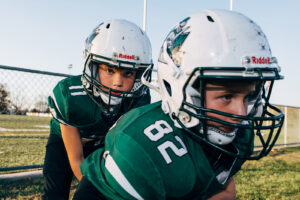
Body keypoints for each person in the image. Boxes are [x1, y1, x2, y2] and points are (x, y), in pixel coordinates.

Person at [73, 10, 285, 200]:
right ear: (179, 86)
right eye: (227, 97)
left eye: (250, 96)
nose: (241, 113)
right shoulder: (144, 149)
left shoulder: (240, 136)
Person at [42, 19, 153, 200]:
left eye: (128, 73)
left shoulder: (139, 98)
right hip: (66, 142)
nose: (118, 81)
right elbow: (76, 160)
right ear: (92, 67)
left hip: (103, 142)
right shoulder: (69, 95)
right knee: (55, 190)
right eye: (109, 70)